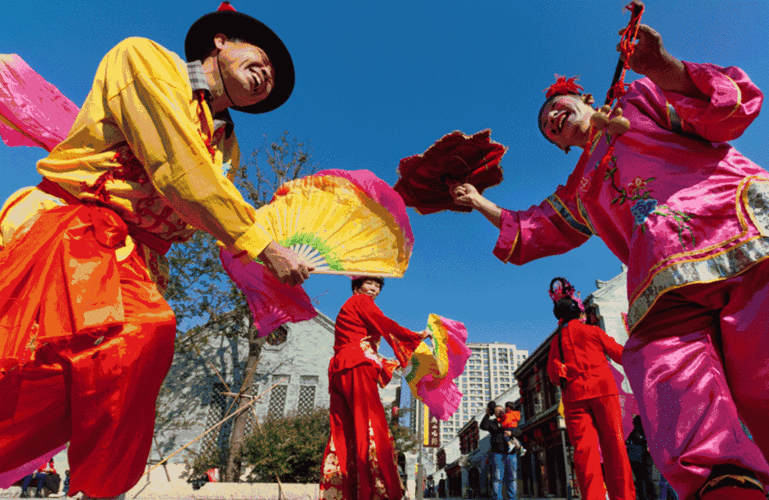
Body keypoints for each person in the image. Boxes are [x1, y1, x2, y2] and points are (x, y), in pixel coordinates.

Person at [450, 7, 769, 499]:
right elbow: (534, 229)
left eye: (557, 106)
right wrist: (479, 202)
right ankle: (725, 482)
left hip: (738, 234)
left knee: (762, 375)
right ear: (559, 145)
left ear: (586, 99)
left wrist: (662, 65)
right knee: (662, 362)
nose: (551, 117)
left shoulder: (639, 99)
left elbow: (731, 111)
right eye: (546, 125)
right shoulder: (579, 190)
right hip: (663, 284)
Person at [0, 3, 311, 500]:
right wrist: (263, 244)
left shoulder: (226, 145)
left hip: (138, 261)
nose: (266, 74)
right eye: (262, 58)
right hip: (75, 232)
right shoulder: (146, 61)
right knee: (125, 336)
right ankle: (104, 490)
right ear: (221, 40)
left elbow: (211, 204)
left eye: (273, 78)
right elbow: (180, 168)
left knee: (91, 378)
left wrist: (272, 267)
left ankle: (101, 488)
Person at [319, 276, 429, 500]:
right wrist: (415, 337)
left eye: (378, 286)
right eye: (369, 283)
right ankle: (377, 492)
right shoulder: (361, 302)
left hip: (341, 369)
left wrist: (390, 363)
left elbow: (360, 345)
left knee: (346, 430)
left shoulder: (348, 307)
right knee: (372, 424)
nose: (374, 289)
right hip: (356, 366)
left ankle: (348, 492)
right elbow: (385, 325)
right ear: (357, 286)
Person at [544, 279, 635, 500]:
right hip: (603, 390)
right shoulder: (592, 331)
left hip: (574, 398)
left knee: (585, 453)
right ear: (578, 312)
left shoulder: (556, 341)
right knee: (614, 446)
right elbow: (621, 355)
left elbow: (553, 374)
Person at [480, 401, 519, 500]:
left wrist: (512, 433)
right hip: (497, 454)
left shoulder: (510, 418)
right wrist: (487, 414)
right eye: (497, 410)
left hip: (511, 453)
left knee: (512, 478)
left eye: (502, 409)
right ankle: (497, 498)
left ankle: (512, 498)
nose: (500, 411)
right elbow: (483, 426)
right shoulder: (492, 423)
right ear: (494, 412)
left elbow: (519, 431)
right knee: (497, 478)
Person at [626, 415, 656, 500]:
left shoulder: (650, 422)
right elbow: (631, 436)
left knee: (647, 478)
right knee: (640, 478)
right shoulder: (633, 423)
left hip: (645, 455)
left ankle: (653, 497)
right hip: (636, 454)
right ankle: (643, 497)